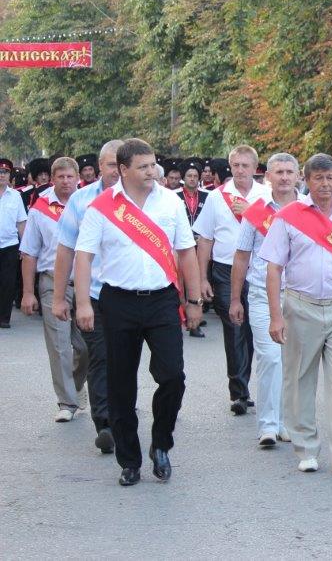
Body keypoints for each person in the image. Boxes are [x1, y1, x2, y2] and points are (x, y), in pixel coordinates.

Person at [73, 138, 203, 486]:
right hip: (118, 302)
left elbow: (186, 252)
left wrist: (193, 301)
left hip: (162, 299)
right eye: (143, 166)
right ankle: (129, 460)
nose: (151, 172)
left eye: (153, 165)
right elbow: (83, 256)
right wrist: (83, 303)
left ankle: (161, 443)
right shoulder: (102, 207)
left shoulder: (170, 203)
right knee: (120, 385)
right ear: (124, 169)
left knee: (173, 375)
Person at [260, 153, 332, 476]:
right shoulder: (289, 216)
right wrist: (275, 316)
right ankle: (306, 448)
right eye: (317, 178)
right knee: (300, 380)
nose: (325, 184)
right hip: (300, 305)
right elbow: (274, 268)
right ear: (305, 181)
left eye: (330, 178)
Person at [52, 140, 122, 454]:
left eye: (121, 165)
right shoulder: (82, 200)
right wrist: (59, 298)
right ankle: (105, 423)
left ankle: (122, 411)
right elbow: (65, 251)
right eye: (110, 165)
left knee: (125, 359)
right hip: (93, 294)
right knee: (101, 357)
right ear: (99, 166)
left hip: (133, 295)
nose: (116, 172)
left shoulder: (146, 200)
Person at [228, 152, 301, 448]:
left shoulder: (310, 210)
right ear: (267, 176)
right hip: (261, 294)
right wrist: (235, 299)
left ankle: (286, 421)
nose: (284, 177)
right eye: (278, 172)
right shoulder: (256, 212)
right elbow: (242, 256)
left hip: (300, 296)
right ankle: (268, 425)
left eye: (289, 172)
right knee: (270, 357)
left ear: (298, 175)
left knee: (292, 362)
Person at [194, 145, 271, 415]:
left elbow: (277, 231)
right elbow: (205, 239)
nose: (240, 170)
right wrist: (202, 277)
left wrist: (252, 211)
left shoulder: (268, 195)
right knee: (234, 327)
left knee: (253, 331)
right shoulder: (217, 198)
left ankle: (250, 383)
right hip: (226, 271)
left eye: (245, 166)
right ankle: (239, 392)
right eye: (236, 165)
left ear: (255, 168)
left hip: (260, 270)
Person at [20, 157, 87, 422]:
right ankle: (67, 402)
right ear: (52, 178)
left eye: (70, 177)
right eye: (60, 177)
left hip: (84, 282)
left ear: (77, 177)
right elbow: (29, 253)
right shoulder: (40, 208)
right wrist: (28, 292)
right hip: (50, 282)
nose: (66, 182)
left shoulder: (88, 203)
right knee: (60, 344)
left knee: (86, 347)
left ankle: (75, 385)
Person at [0, 157, 27, 328]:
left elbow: (21, 222)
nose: (2, 175)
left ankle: (4, 317)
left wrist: (25, 246)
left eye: (5, 172)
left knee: (8, 281)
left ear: (10, 175)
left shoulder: (16, 196)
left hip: (9, 245)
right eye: (0, 172)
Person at [176, 159, 209, 226]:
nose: (192, 179)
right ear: (184, 178)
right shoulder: (174, 195)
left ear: (199, 178)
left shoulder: (208, 195)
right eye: (189, 176)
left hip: (201, 235)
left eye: (195, 176)